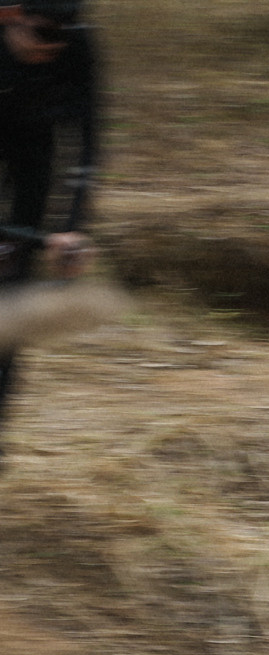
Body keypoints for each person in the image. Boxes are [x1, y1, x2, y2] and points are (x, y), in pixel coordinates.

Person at [0, 0, 100, 458]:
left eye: (60, 43)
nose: (47, 55)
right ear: (11, 16)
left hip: (32, 156)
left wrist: (72, 227)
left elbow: (89, 140)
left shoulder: (76, 40)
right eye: (40, 39)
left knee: (12, 298)